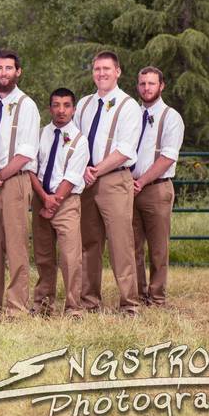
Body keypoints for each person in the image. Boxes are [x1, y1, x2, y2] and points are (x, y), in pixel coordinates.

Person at [73, 51, 142, 315]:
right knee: (89, 243)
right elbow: (75, 140)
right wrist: (82, 171)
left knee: (120, 243)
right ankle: (89, 301)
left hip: (114, 180)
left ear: (118, 72)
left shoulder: (128, 106)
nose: (101, 73)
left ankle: (129, 304)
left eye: (106, 69)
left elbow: (125, 149)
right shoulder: (84, 105)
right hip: (86, 181)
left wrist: (96, 170)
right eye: (97, 69)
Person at [0, 49, 40, 317]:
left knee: (15, 245)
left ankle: (16, 307)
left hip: (14, 181)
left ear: (18, 72)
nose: (3, 73)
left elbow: (25, 152)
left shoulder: (27, 106)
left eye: (9, 68)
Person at [28, 88, 88, 318]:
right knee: (43, 256)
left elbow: (72, 177)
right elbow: (31, 167)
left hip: (66, 203)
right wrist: (43, 198)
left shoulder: (80, 141)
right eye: (56, 105)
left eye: (66, 105)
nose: (61, 110)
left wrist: (53, 203)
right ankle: (42, 304)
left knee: (70, 257)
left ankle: (73, 307)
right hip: (41, 197)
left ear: (73, 109)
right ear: (50, 108)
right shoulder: (41, 134)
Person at [132, 67, 185, 307]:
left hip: (156, 188)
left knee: (158, 248)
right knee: (131, 246)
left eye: (151, 83)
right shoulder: (132, 114)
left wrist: (141, 182)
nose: (146, 88)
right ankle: (137, 293)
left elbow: (168, 157)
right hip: (129, 188)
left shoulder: (170, 117)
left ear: (162, 86)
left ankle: (157, 297)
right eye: (143, 84)